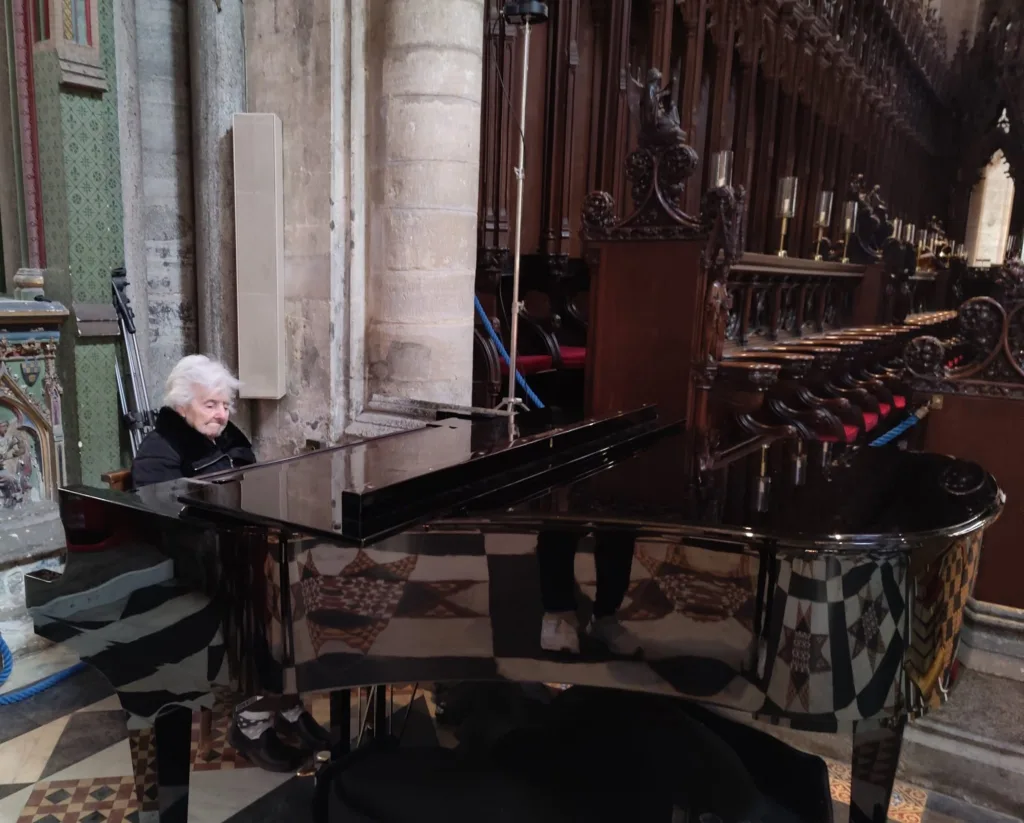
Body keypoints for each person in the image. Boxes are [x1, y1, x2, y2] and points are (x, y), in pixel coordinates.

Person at [131, 354, 256, 488]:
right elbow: (162, 505)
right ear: (181, 407)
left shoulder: (228, 438)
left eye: (225, 407)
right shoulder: (157, 450)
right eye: (210, 405)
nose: (222, 415)